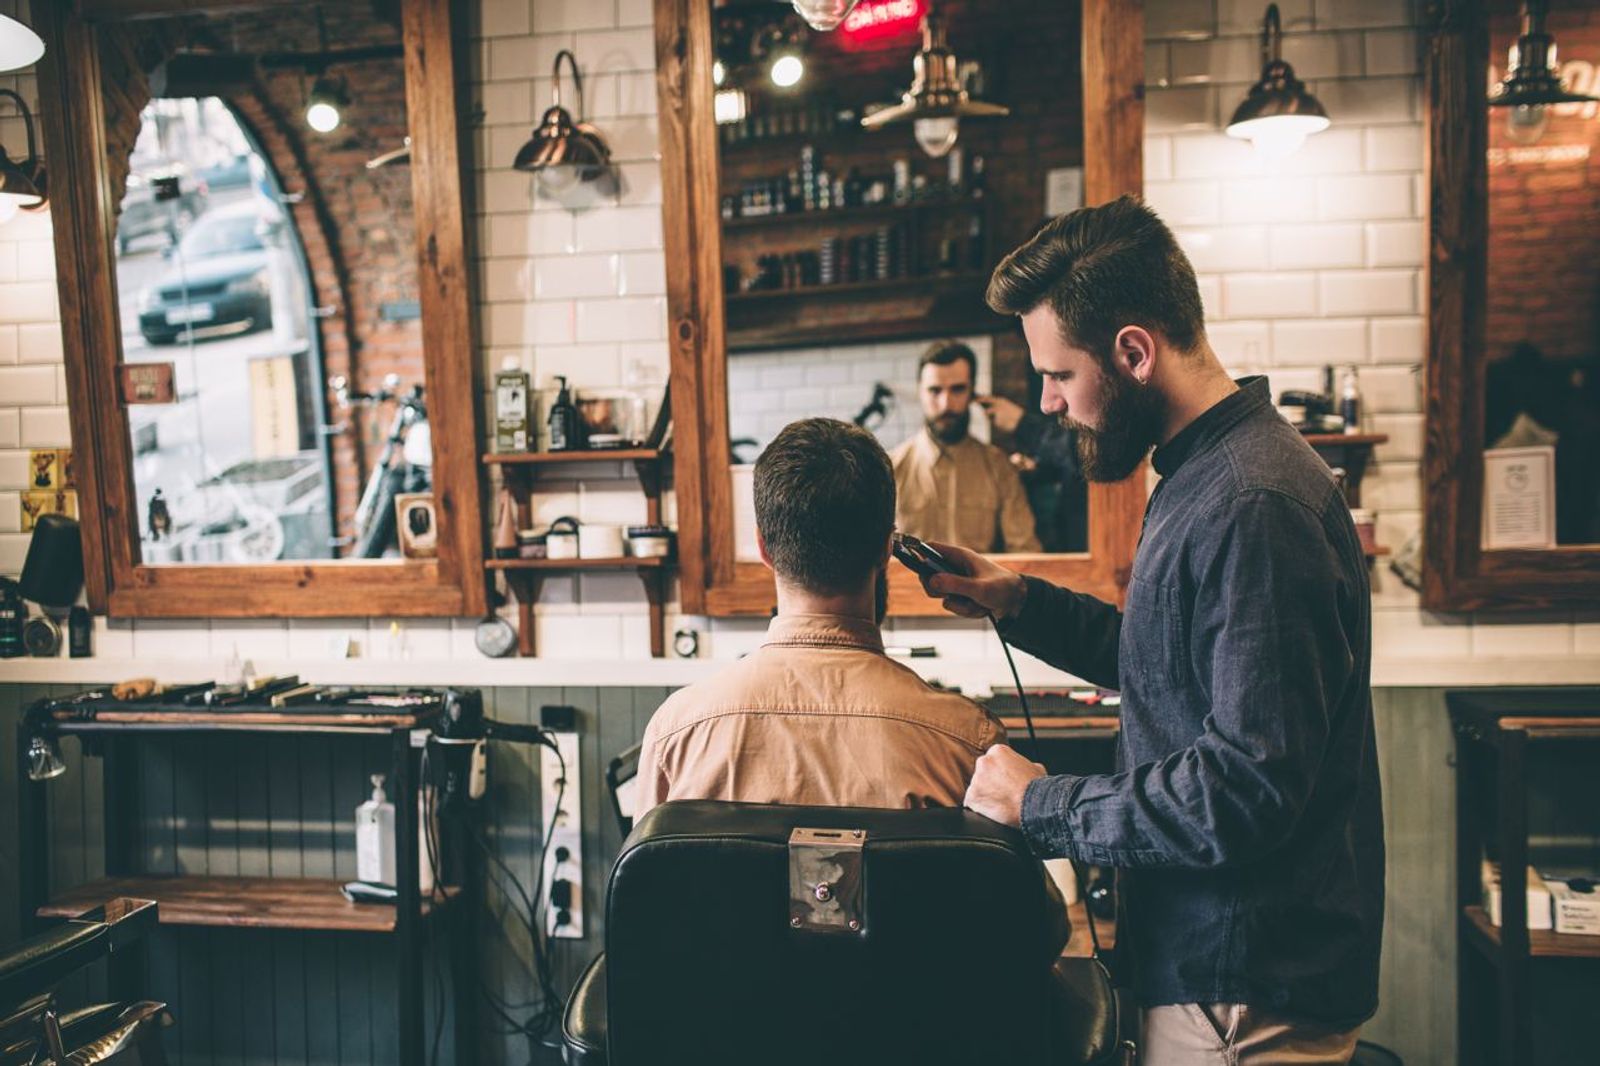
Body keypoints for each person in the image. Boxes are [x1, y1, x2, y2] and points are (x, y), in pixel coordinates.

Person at [919, 197, 1384, 1064]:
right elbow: (1168, 660)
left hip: (1244, 995)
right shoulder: (1206, 474)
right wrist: (1017, 600)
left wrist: (1041, 805)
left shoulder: (1253, 503)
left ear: (1134, 352)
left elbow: (1245, 788)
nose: (1049, 402)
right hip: (1213, 973)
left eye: (1059, 374)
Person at [634, 416, 1005, 816]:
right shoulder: (967, 743)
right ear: (887, 548)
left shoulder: (677, 733)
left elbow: (645, 858)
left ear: (764, 548)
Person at [889, 341, 1042, 553]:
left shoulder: (999, 468)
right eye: (935, 390)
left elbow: (1025, 552)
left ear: (972, 392)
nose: (946, 404)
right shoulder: (890, 469)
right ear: (920, 392)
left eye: (958, 389)